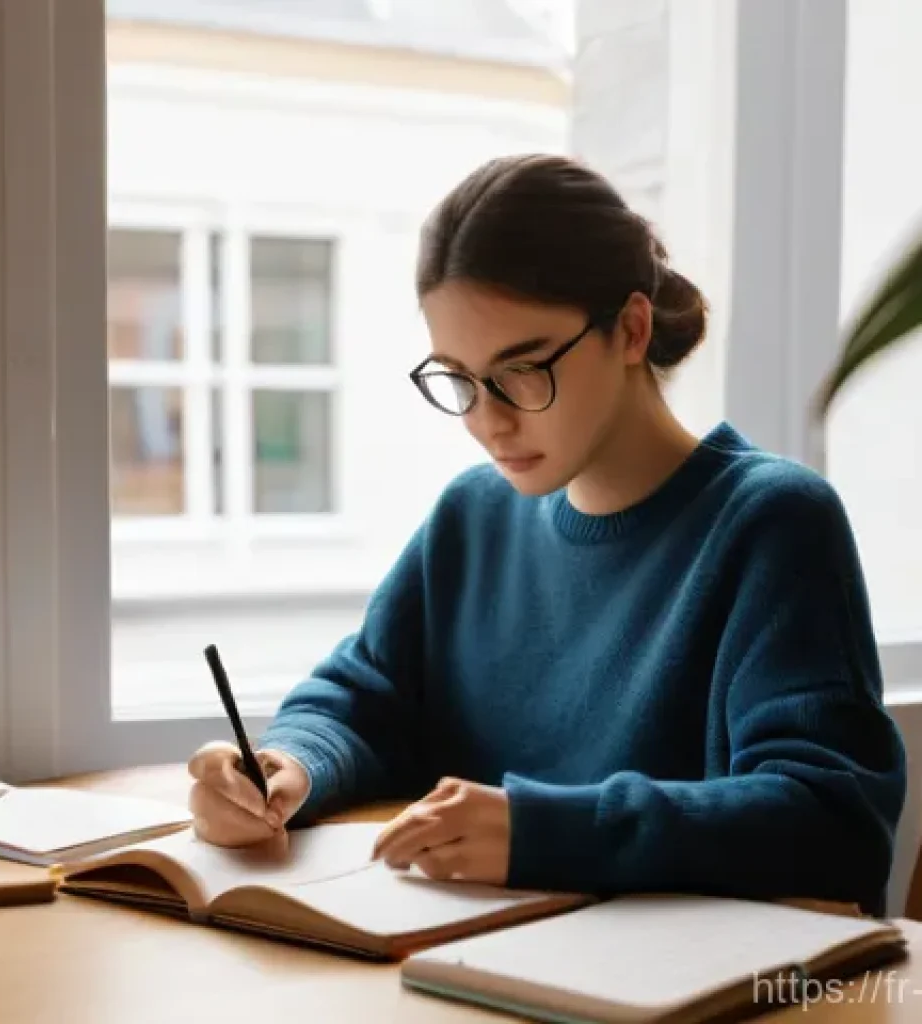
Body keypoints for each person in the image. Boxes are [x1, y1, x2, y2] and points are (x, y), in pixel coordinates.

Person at [187, 153, 907, 917]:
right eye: (457, 378)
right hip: (468, 973)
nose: (487, 420)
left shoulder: (771, 522)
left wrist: (543, 831)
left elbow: (833, 823)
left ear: (630, 330)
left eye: (523, 371)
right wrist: (287, 765)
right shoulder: (473, 517)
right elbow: (362, 699)